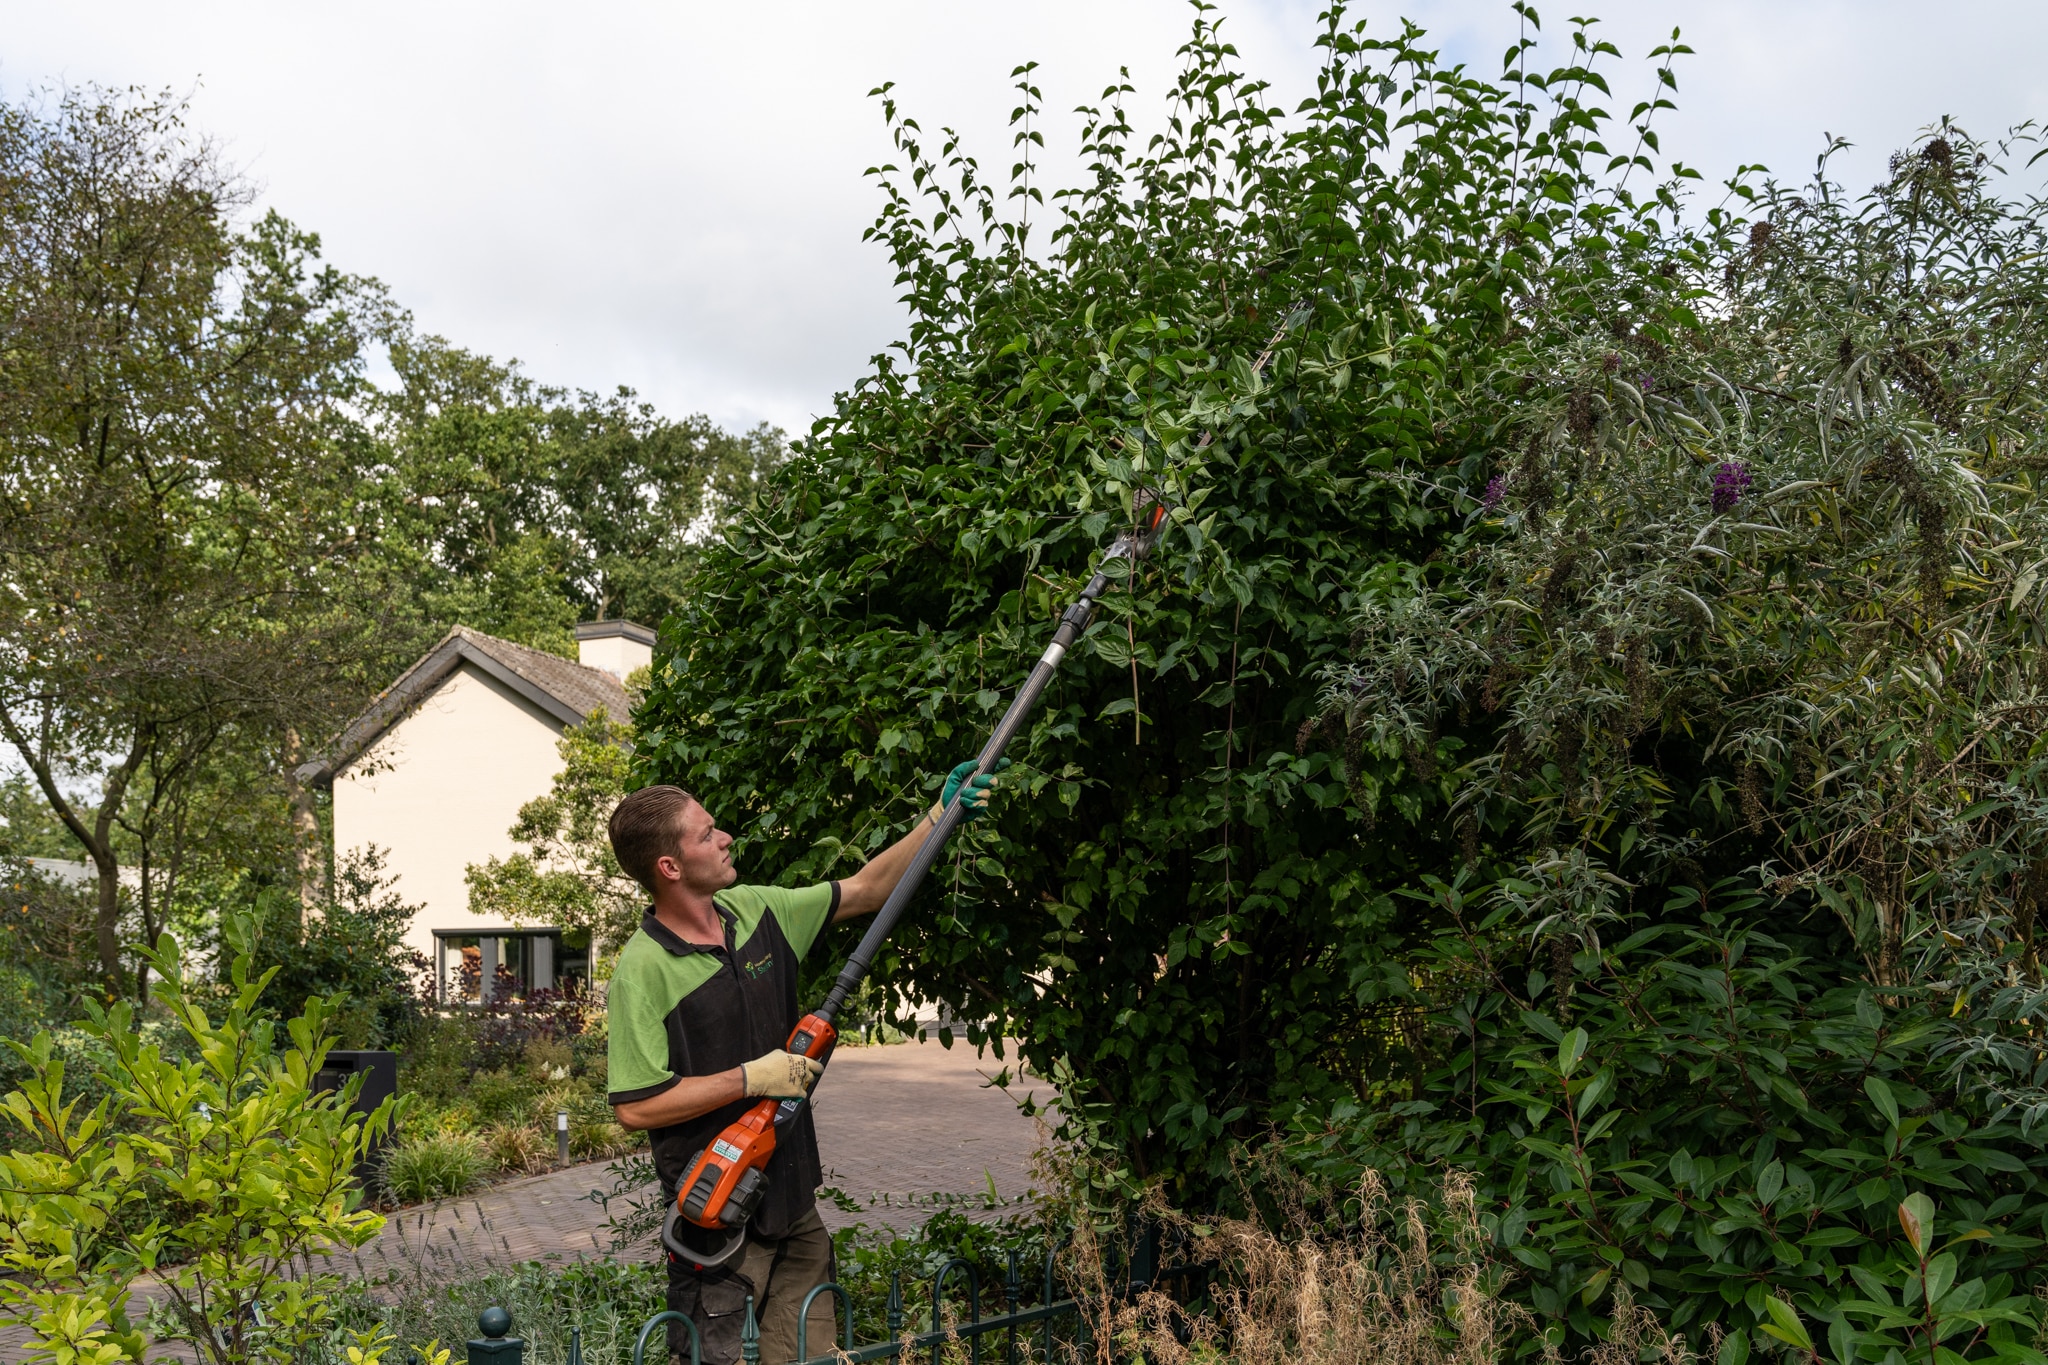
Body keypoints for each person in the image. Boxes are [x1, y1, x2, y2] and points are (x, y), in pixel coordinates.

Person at [606, 759, 1004, 1365]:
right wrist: (749, 1078)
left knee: (811, 1357)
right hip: (720, 1223)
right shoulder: (642, 970)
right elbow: (636, 1108)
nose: (725, 838)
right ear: (670, 867)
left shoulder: (758, 911)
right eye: (707, 833)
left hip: (794, 1206)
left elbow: (869, 890)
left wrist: (937, 816)